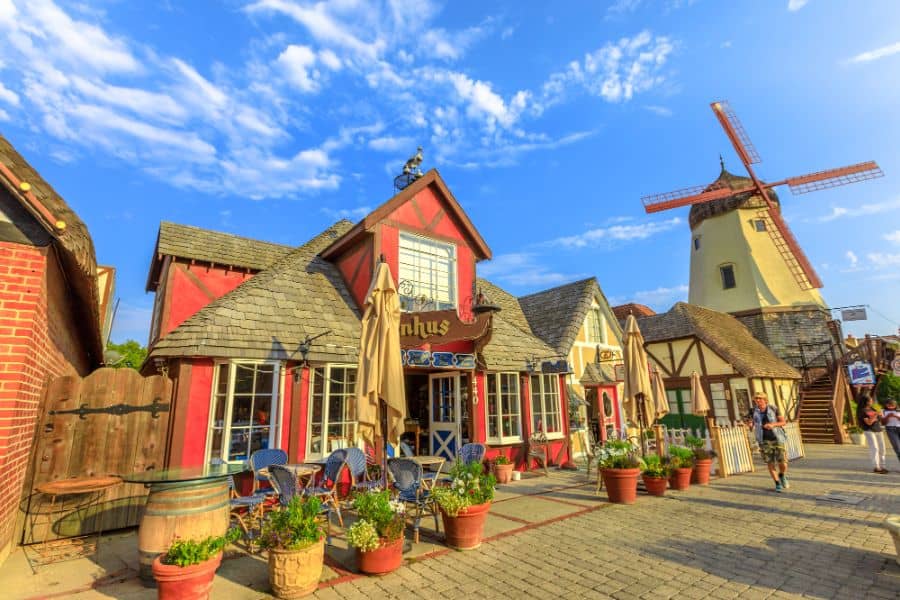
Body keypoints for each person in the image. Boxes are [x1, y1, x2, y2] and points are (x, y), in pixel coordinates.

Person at [748, 392, 789, 492]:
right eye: (756, 399)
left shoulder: (773, 408)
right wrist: (750, 425)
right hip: (764, 440)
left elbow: (783, 422)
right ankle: (777, 483)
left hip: (777, 438)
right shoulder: (753, 411)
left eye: (760, 398)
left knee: (783, 462)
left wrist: (773, 425)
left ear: (765, 399)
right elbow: (751, 423)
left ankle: (782, 475)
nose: (758, 400)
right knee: (770, 463)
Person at [857, 393, 888, 474]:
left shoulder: (872, 409)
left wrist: (880, 416)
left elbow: (879, 420)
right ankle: (876, 467)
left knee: (882, 449)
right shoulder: (862, 411)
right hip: (869, 431)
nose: (872, 401)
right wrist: (876, 415)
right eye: (870, 400)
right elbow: (869, 423)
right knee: (874, 448)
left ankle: (883, 466)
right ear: (866, 402)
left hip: (879, 430)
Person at [879, 398, 900, 465]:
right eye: (888, 404)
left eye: (892, 404)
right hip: (891, 430)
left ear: (895, 404)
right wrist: (887, 417)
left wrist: (897, 417)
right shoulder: (883, 411)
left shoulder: (899, 410)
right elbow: (883, 423)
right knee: (897, 448)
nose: (890, 406)